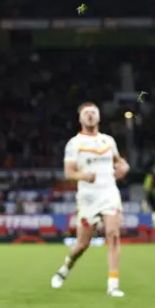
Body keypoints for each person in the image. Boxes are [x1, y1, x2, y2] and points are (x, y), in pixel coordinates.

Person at [51, 102, 129, 297]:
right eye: (86, 113)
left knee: (113, 234)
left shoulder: (108, 141)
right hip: (88, 198)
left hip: (109, 193)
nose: (90, 116)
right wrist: (83, 176)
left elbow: (118, 162)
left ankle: (113, 284)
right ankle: (66, 267)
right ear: (80, 118)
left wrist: (124, 166)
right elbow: (69, 173)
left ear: (99, 117)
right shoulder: (74, 143)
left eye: (93, 112)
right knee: (82, 244)